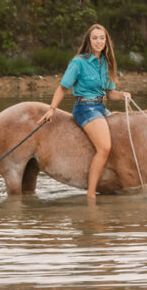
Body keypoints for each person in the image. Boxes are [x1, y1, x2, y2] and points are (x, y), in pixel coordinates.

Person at [36, 23, 131, 201]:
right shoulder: (78, 62)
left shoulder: (107, 62)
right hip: (85, 108)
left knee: (123, 136)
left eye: (102, 38)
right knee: (105, 147)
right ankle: (90, 194)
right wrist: (51, 109)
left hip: (101, 107)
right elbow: (62, 88)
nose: (98, 41)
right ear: (89, 40)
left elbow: (110, 94)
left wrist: (123, 95)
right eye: (95, 38)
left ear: (106, 41)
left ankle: (115, 182)